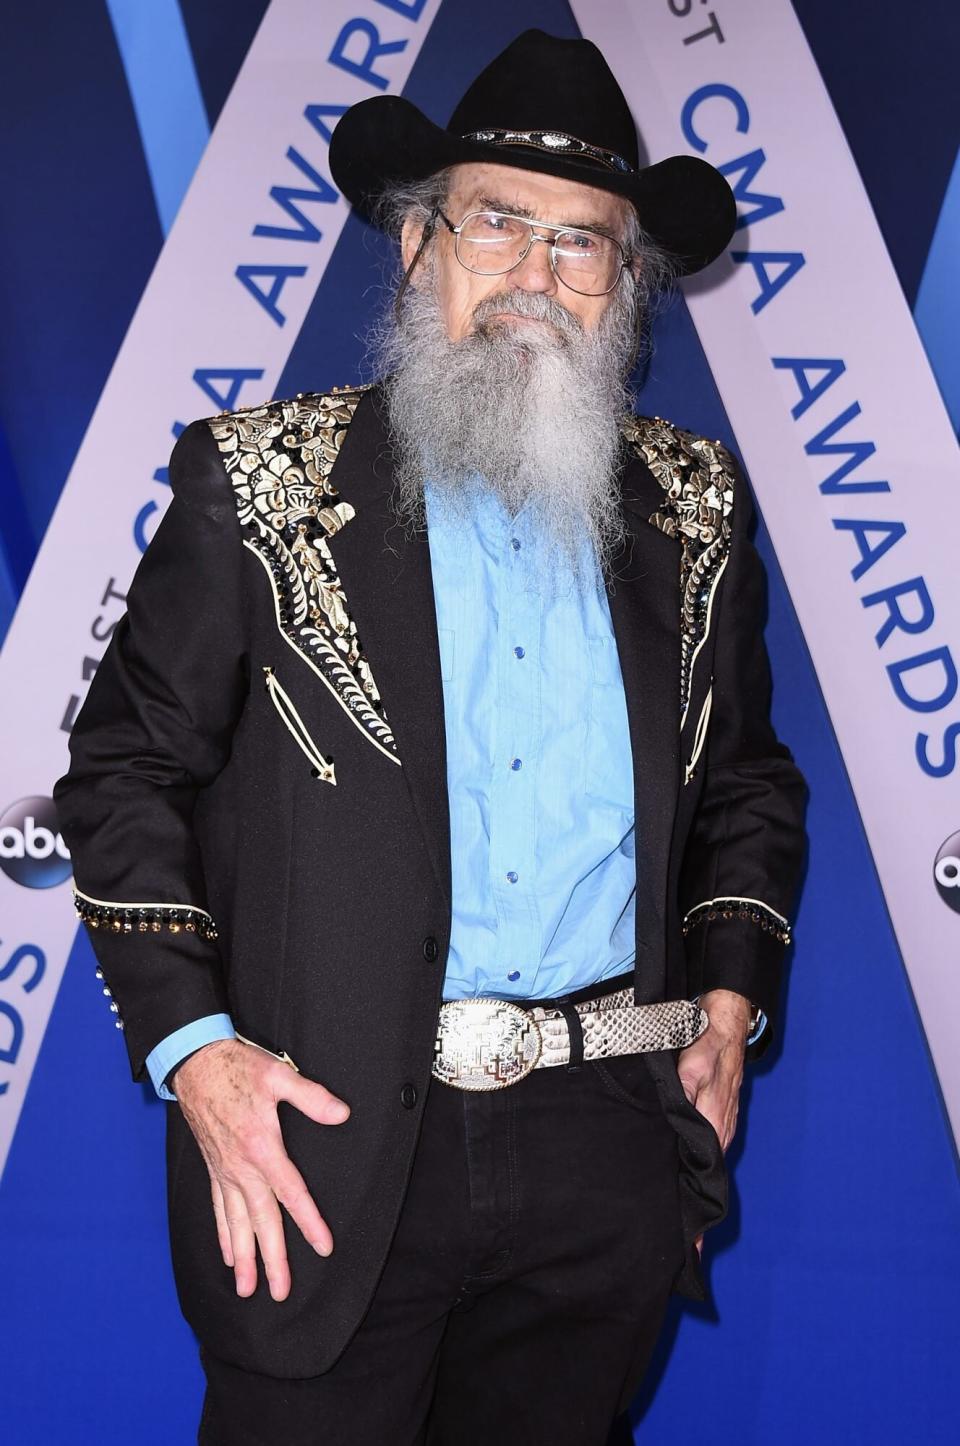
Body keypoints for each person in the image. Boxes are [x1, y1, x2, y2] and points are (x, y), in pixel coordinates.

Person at [55, 28, 807, 1446]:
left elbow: (749, 785)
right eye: (495, 221)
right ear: (417, 247)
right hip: (326, 1145)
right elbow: (122, 774)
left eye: (582, 243)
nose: (535, 273)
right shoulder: (259, 486)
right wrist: (198, 1054)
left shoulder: (699, 508)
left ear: (625, 288)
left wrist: (726, 1001)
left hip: (603, 1153)